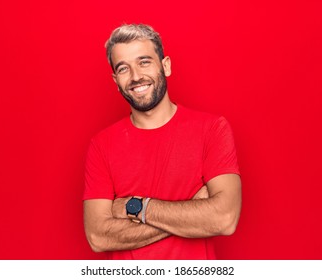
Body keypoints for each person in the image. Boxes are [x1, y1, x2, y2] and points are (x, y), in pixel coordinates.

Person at [83, 23, 241, 259]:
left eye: (144, 62)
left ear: (165, 66)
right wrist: (190, 214)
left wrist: (135, 207)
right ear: (116, 80)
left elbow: (224, 219)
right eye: (124, 68)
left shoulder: (212, 129)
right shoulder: (101, 145)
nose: (136, 76)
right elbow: (98, 237)